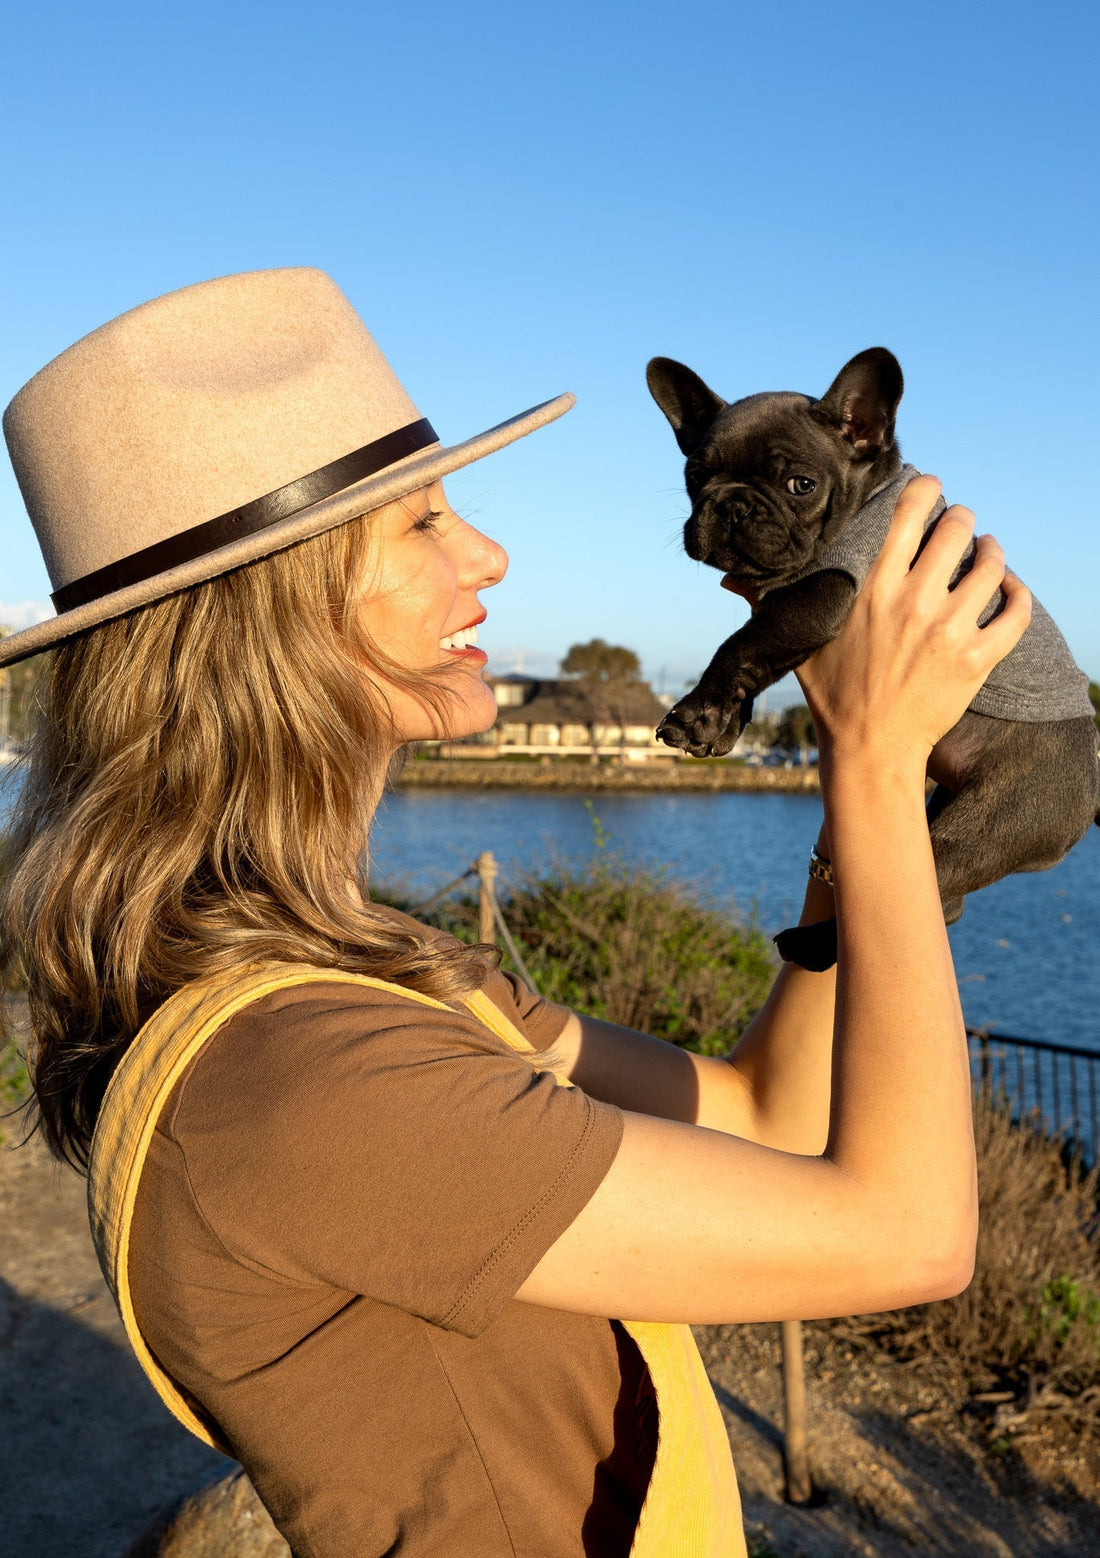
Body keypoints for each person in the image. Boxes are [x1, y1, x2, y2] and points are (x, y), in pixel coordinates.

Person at [0, 268, 1030, 1558]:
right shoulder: (306, 1081)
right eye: (423, 524)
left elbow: (768, 1114)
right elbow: (912, 1235)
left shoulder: (371, 976)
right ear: (273, 614)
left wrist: (852, 818)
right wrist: (880, 766)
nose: (490, 554)